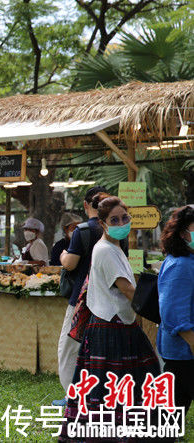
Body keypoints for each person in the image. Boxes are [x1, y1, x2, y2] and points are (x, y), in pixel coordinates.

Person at [60, 194, 160, 440]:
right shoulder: (104, 250)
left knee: (131, 381)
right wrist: (160, 312)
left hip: (119, 322)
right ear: (103, 224)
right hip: (110, 326)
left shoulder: (115, 247)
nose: (121, 222)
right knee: (113, 388)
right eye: (114, 219)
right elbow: (127, 289)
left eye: (124, 217)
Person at [55, 186, 129, 406]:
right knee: (101, 348)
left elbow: (71, 263)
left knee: (69, 346)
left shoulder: (83, 230)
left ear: (87, 205)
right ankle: (104, 394)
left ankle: (72, 396)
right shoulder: (120, 231)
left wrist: (63, 254)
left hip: (83, 298)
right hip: (111, 299)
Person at [157, 205, 194, 415]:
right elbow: (172, 311)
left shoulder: (188, 261)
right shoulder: (180, 265)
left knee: (172, 412)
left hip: (184, 353)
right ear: (182, 234)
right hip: (184, 351)